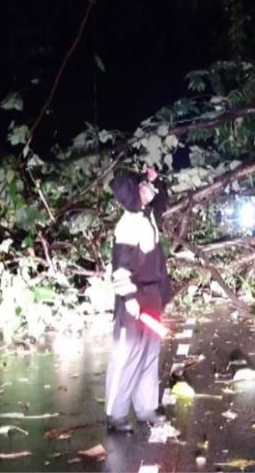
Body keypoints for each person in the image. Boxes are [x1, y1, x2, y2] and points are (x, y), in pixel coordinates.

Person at [105, 166, 172, 433]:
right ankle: (116, 414)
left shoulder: (147, 216)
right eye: (143, 186)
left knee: (149, 354)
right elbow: (120, 268)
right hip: (134, 300)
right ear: (133, 193)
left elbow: (163, 199)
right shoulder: (128, 224)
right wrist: (130, 299)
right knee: (127, 355)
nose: (149, 190)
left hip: (152, 297)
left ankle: (146, 407)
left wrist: (157, 179)